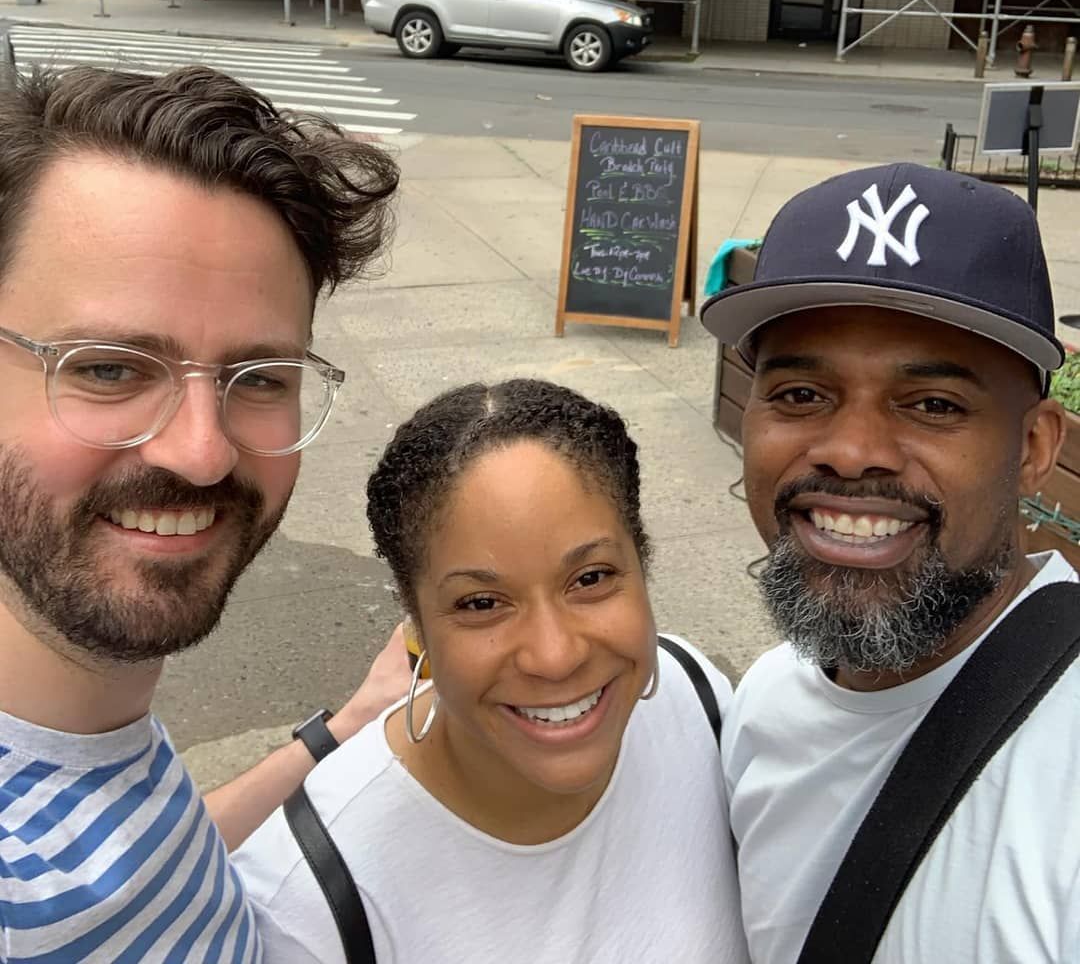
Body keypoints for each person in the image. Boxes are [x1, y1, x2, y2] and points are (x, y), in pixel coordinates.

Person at [0, 65, 408, 961]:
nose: (203, 450)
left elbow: (145, 863)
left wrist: (343, 728)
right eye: (109, 366)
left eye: (259, 378)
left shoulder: (81, 725)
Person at [699, 162, 1078, 962]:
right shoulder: (764, 704)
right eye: (801, 394)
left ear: (1033, 448)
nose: (849, 452)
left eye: (933, 405)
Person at [233, 379, 750, 964]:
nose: (555, 656)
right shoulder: (308, 906)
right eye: (481, 603)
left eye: (591, 578)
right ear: (416, 627)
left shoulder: (700, 699)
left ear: (642, 562)